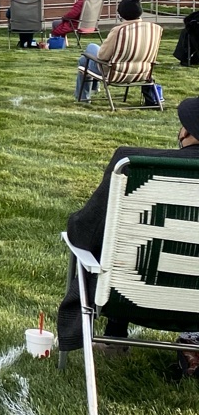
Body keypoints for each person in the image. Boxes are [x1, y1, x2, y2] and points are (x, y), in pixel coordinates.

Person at [57, 97, 199, 352]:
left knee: (118, 240)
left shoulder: (132, 164)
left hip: (133, 297)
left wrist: (73, 227)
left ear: (187, 132)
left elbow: (85, 230)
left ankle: (116, 338)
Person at [74, 0, 161, 103]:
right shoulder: (154, 29)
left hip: (115, 72)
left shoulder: (119, 31)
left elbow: (102, 56)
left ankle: (84, 97)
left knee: (87, 54)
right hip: (142, 72)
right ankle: (92, 90)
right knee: (88, 55)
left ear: (122, 14)